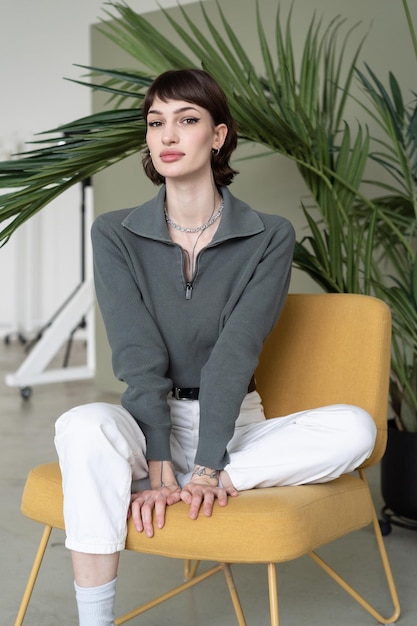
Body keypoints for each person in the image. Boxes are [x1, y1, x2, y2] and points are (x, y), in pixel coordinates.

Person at [54, 68, 377, 626]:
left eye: (187, 120)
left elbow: (236, 351)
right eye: (156, 123)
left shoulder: (269, 234)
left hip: (237, 428)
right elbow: (136, 353)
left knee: (357, 429)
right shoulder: (115, 233)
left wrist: (208, 469)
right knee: (81, 425)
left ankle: (210, 483)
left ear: (219, 135)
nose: (168, 136)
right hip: (149, 425)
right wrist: (158, 457)